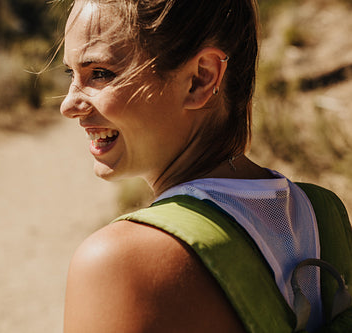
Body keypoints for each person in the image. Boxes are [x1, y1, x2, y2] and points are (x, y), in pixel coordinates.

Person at [59, 0, 352, 332]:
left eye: (99, 73)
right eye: (71, 73)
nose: (69, 105)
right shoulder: (323, 214)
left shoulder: (118, 261)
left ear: (200, 79)